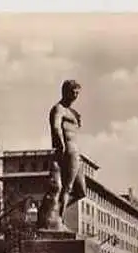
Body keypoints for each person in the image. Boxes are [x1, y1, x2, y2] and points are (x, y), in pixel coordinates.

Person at [49, 80, 86, 222]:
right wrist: (61, 145)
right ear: (65, 92)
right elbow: (56, 127)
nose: (75, 95)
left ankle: (56, 211)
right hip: (68, 149)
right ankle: (58, 219)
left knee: (81, 191)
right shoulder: (58, 108)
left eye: (77, 93)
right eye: (73, 92)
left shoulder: (72, 112)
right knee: (67, 187)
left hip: (76, 151)